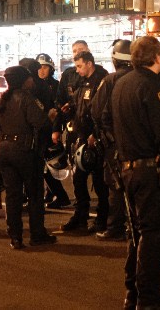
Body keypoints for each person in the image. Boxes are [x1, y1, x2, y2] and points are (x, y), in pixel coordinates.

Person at [110, 35, 160, 310]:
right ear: (157, 57)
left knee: (137, 234)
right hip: (150, 170)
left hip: (127, 168)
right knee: (154, 235)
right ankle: (149, 299)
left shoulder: (120, 84)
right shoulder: (154, 85)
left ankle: (133, 293)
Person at [0, 65, 57, 250]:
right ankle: (37, 234)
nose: (32, 81)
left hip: (4, 151)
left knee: (13, 195)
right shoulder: (27, 99)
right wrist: (49, 117)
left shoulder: (1, 100)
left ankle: (15, 236)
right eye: (29, 78)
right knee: (34, 194)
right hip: (24, 151)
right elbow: (40, 124)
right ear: (23, 80)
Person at [61, 50, 110, 234]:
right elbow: (80, 103)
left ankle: (102, 219)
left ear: (89, 63)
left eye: (80, 66)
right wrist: (70, 107)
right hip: (81, 138)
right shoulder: (82, 82)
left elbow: (103, 111)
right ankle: (80, 216)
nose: (78, 70)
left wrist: (96, 135)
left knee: (100, 182)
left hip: (96, 140)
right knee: (78, 180)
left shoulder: (102, 81)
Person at [92, 39, 134, 241]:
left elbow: (96, 111)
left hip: (114, 142)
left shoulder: (110, 80)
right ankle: (134, 225)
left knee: (116, 186)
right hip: (137, 141)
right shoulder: (141, 78)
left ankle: (115, 226)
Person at [35, 52, 71, 209]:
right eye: (40, 67)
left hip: (49, 131)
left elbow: (57, 110)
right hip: (40, 130)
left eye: (45, 67)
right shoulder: (35, 85)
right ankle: (51, 192)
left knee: (48, 166)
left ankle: (61, 195)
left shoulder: (55, 86)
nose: (42, 70)